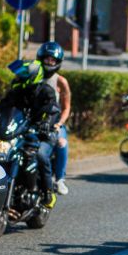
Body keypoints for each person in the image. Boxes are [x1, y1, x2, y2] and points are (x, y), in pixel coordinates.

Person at [0, 60, 61, 208]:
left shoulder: (46, 91)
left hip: (42, 133)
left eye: (23, 75)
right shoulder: (17, 91)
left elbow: (53, 110)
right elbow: (3, 107)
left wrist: (46, 123)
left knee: (40, 155)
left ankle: (48, 192)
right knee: (0, 154)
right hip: (20, 132)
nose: (19, 78)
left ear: (33, 76)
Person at [37, 41, 72, 196]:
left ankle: (59, 179)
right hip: (35, 121)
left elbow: (66, 107)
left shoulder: (60, 81)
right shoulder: (34, 76)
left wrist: (59, 123)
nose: (49, 62)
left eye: (53, 60)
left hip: (53, 122)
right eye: (47, 59)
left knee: (62, 142)